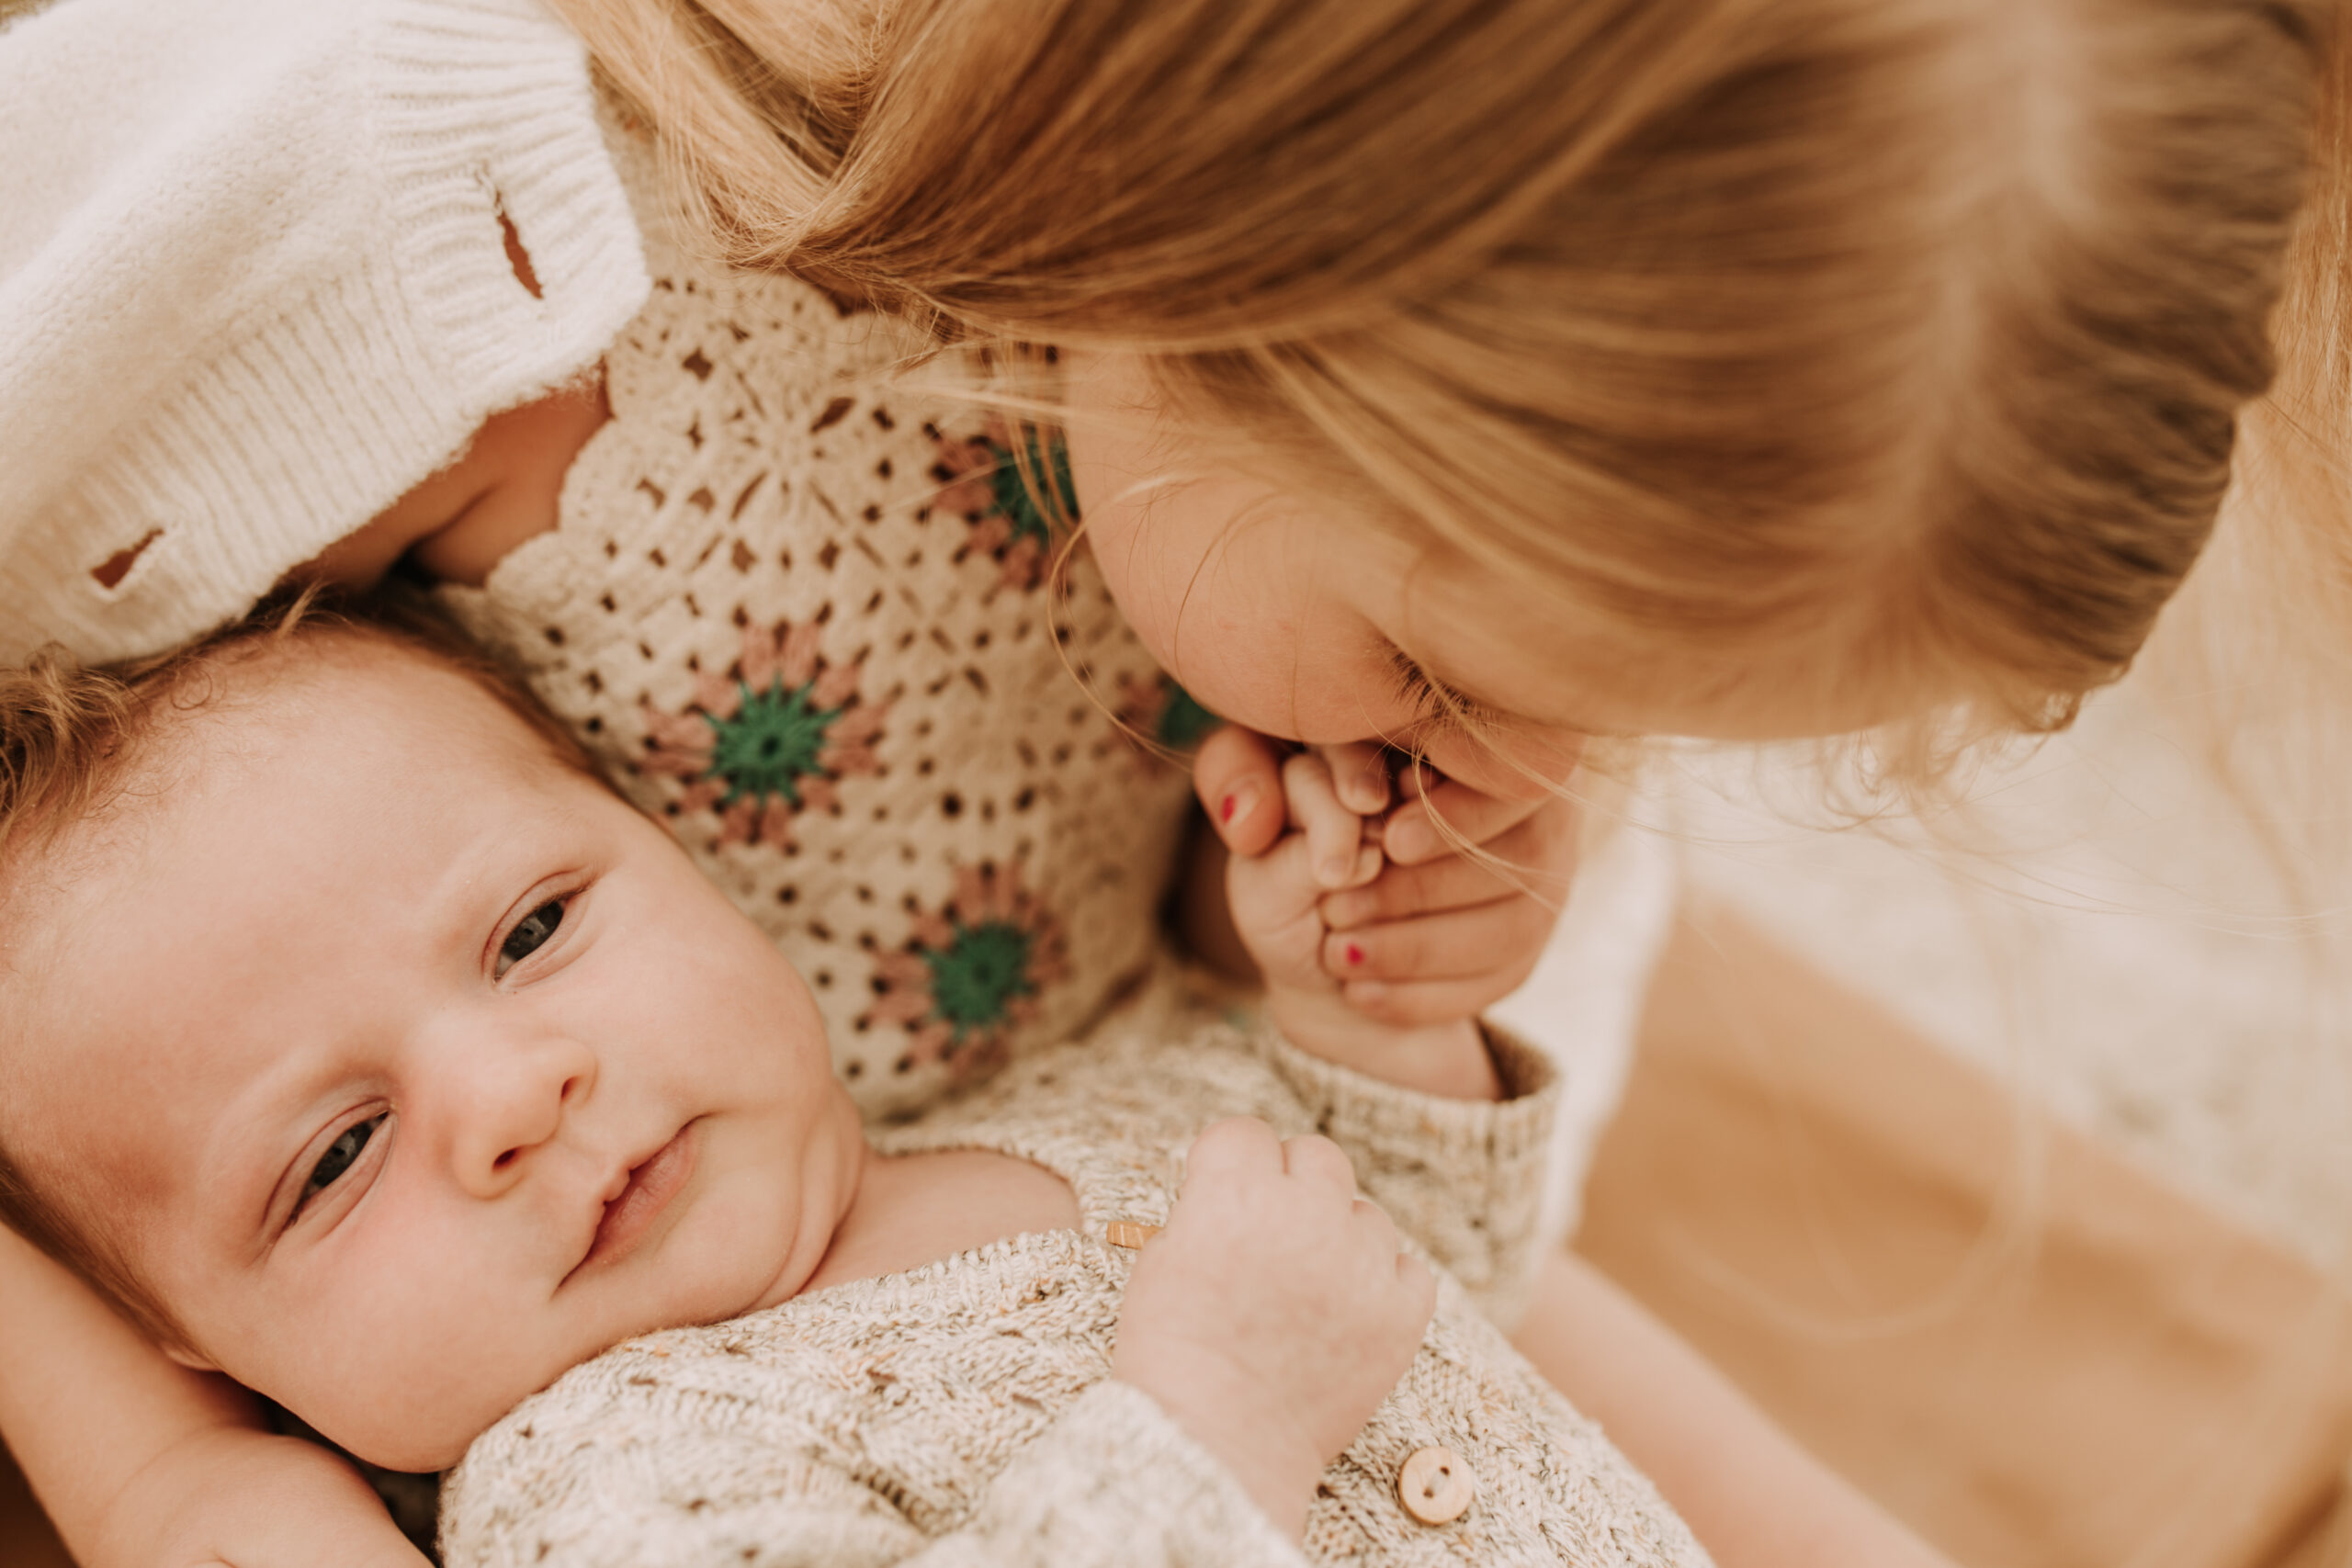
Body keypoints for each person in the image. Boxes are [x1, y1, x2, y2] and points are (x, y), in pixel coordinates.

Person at [0, 0, 2321, 1563]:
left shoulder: (1384, 494)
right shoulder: (435, 255)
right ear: (1231, 261)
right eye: (1438, 665)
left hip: (1120, 1137)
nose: (1499, 766)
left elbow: (1363, 1196)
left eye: (1614, 727)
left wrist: (1362, 972)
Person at [0, 595, 1703, 1567]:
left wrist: (1373, 1022)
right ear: (202, 1348)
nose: (513, 1098)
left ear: (683, 855)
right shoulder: (600, 1486)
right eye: (337, 1154)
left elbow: (1418, 1281)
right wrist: (1214, 1427)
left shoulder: (1071, 1099)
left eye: (529, 932)